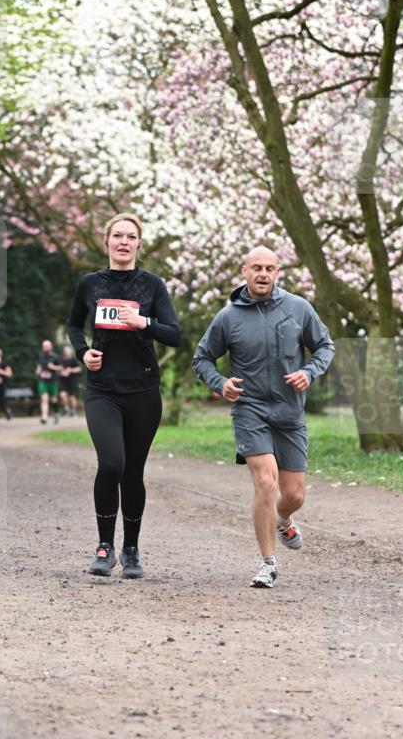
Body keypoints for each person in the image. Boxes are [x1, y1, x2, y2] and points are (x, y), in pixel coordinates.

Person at [193, 245, 334, 588]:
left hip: (290, 411)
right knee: (265, 483)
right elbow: (202, 358)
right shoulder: (228, 317)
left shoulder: (299, 308)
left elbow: (325, 346)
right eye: (256, 267)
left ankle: (284, 518)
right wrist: (220, 382)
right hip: (250, 408)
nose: (263, 274)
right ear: (244, 271)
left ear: (277, 273)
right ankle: (268, 564)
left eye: (269, 268)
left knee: (294, 494)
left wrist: (310, 371)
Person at [67, 212, 181, 579]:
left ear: (139, 244)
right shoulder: (90, 284)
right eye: (117, 235)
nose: (124, 242)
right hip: (103, 390)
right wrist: (82, 352)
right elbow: (73, 324)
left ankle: (131, 549)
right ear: (107, 242)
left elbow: (174, 334)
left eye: (131, 237)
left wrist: (144, 323)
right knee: (111, 463)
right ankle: (104, 546)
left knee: (133, 472)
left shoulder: (152, 285)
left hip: (143, 391)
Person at [36, 339, 61, 424]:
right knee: (44, 399)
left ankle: (56, 413)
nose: (44, 348)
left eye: (46, 346)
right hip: (43, 381)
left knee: (54, 399)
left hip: (53, 381)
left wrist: (53, 367)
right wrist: (38, 372)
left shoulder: (55, 356)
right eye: (43, 346)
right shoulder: (41, 356)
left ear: (51, 347)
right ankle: (44, 416)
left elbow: (61, 368)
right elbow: (39, 366)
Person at [59, 344, 82, 416]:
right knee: (62, 395)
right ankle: (66, 409)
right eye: (66, 351)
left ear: (70, 352)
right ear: (64, 352)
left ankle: (73, 411)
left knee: (71, 396)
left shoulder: (73, 360)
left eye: (68, 351)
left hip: (72, 381)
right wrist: (60, 371)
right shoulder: (61, 360)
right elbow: (58, 368)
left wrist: (71, 370)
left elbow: (79, 369)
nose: (67, 352)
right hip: (63, 380)